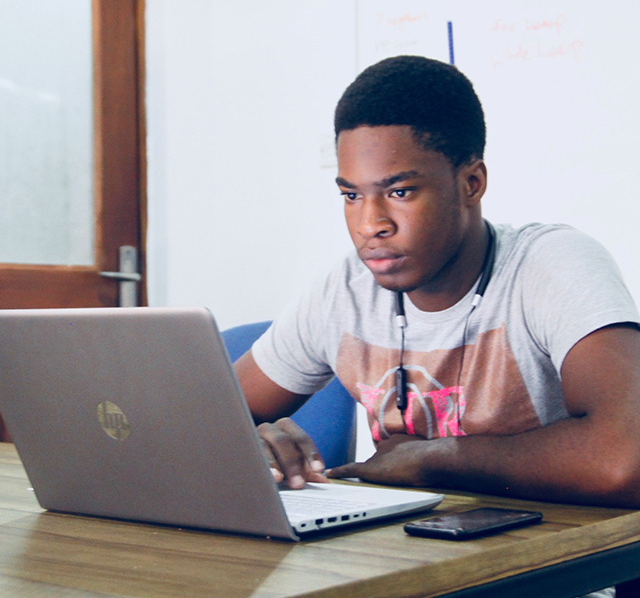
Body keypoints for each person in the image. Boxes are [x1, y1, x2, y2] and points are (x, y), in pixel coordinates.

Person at [234, 55, 640, 509]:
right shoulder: (345, 290)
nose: (370, 224)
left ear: (471, 182)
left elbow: (626, 459)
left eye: (399, 192)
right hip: (399, 562)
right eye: (351, 195)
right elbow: (193, 421)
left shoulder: (551, 265)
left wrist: (434, 459)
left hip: (552, 570)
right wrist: (252, 440)